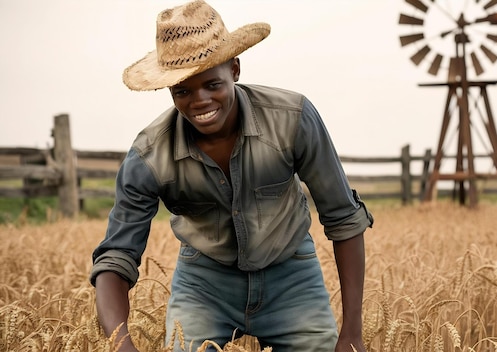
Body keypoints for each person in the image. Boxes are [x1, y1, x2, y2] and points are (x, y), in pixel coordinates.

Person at [89, 1, 373, 351]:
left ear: (235, 69)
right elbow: (115, 258)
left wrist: (352, 334)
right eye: (183, 91)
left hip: (292, 276)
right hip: (202, 285)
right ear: (169, 91)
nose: (200, 101)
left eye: (212, 84)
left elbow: (343, 217)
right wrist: (122, 346)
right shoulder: (149, 156)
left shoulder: (292, 118)